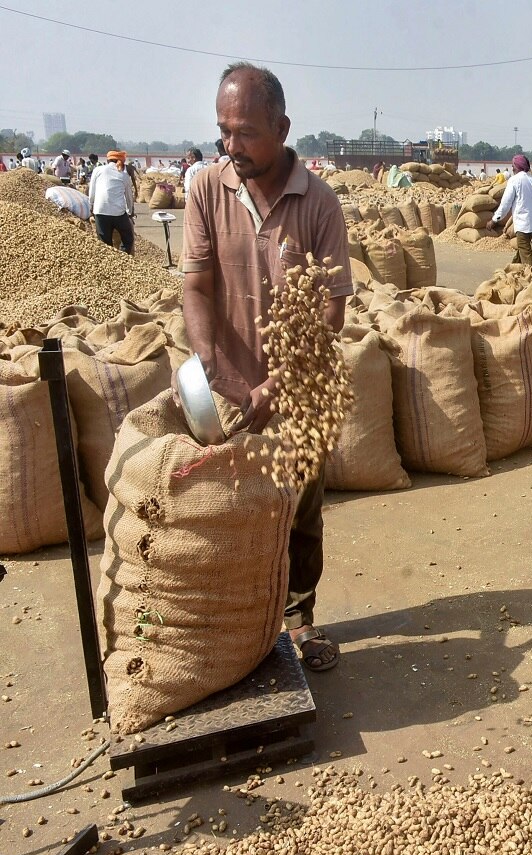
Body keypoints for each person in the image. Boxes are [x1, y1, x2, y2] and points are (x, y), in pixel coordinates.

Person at [182, 61, 352, 672]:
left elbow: (331, 311)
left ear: (281, 127)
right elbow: (197, 286)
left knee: (299, 509)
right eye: (223, 130)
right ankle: (240, 627)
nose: (231, 146)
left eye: (246, 132)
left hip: (300, 391)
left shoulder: (318, 202)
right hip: (228, 386)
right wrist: (212, 365)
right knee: (228, 508)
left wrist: (278, 385)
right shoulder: (206, 187)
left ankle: (300, 620)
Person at [487, 154, 532, 267]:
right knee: (522, 251)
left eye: (513, 166)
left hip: (522, 224)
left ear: (518, 166)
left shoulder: (514, 180)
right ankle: (510, 273)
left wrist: (494, 220)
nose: (512, 168)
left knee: (526, 254)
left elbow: (506, 203)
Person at [89, 151, 135, 253]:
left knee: (105, 243)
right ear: (121, 162)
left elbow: (92, 191)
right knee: (128, 238)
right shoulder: (124, 175)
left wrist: (91, 206)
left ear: (107, 160)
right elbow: (129, 197)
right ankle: (123, 257)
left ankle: (109, 263)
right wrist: (130, 212)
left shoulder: (97, 170)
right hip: (118, 213)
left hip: (100, 211)